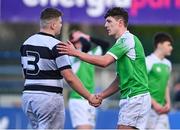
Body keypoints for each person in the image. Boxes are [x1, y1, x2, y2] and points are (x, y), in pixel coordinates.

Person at [57, 7, 151, 130]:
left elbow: (105, 61)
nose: (106, 25)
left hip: (136, 97)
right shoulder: (122, 43)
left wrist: (76, 53)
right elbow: (120, 80)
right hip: (131, 98)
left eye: (109, 21)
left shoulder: (127, 39)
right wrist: (102, 95)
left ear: (120, 23)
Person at [20, 8, 100, 129]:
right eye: (60, 22)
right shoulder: (57, 46)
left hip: (28, 97)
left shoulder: (26, 43)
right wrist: (89, 97)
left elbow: (24, 74)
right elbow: (70, 77)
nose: (61, 25)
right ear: (53, 25)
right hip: (48, 97)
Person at [68, 30, 109, 129]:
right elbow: (85, 47)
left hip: (90, 99)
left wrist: (88, 37)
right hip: (78, 99)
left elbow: (105, 45)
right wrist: (81, 38)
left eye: (80, 40)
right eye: (76, 40)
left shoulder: (90, 55)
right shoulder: (70, 57)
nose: (80, 42)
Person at [145, 32, 173, 129]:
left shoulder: (168, 64)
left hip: (162, 110)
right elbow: (142, 86)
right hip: (148, 109)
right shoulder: (148, 61)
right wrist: (154, 103)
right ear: (159, 45)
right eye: (168, 45)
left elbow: (166, 85)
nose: (171, 48)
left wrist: (168, 103)